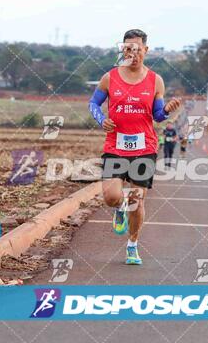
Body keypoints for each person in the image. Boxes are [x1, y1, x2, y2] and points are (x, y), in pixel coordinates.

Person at [88, 29, 181, 265]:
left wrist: (167, 110)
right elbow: (93, 104)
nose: (132, 53)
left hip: (144, 148)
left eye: (137, 48)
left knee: (137, 200)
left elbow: (158, 116)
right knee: (111, 196)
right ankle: (119, 208)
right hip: (115, 146)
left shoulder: (155, 80)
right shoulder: (110, 77)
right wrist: (102, 119)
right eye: (128, 48)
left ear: (145, 50)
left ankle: (132, 245)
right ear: (123, 50)